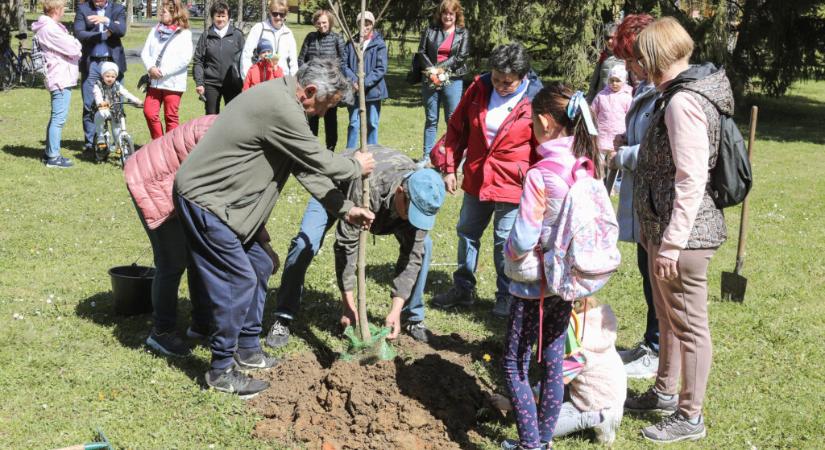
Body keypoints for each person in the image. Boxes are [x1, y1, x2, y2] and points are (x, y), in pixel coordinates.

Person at [173, 58, 376, 399]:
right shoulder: (280, 106)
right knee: (239, 279)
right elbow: (320, 160)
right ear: (310, 91)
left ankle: (248, 348)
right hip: (207, 202)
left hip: (230, 207)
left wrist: (344, 208)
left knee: (260, 264)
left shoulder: (289, 105)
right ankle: (220, 369)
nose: (325, 114)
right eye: (327, 106)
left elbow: (304, 168)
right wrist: (353, 166)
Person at [624, 17, 731, 443]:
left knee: (689, 326)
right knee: (668, 319)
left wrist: (670, 245)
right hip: (663, 229)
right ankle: (664, 393)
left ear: (656, 56)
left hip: (683, 237)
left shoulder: (684, 102)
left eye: (642, 56)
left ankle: (690, 417)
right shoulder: (675, 94)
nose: (638, 64)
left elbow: (691, 179)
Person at [499, 82, 604, 450]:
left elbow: (524, 237)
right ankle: (543, 440)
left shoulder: (540, 174)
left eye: (531, 121)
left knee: (514, 363)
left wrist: (508, 252)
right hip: (567, 281)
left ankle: (530, 445)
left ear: (545, 122)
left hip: (533, 284)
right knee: (554, 361)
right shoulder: (585, 165)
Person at [265, 146, 442, 349]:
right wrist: (348, 305)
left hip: (382, 200)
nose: (414, 220)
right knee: (304, 244)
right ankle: (283, 317)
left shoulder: (423, 194)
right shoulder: (369, 188)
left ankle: (411, 316)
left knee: (423, 247)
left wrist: (395, 307)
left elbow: (412, 256)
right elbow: (346, 245)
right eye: (412, 213)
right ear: (401, 192)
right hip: (334, 187)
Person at [431, 42, 542, 317]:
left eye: (508, 82)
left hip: (513, 182)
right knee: (467, 231)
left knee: (504, 241)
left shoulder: (536, 100)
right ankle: (463, 288)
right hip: (478, 175)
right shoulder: (479, 88)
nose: (501, 86)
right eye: (496, 79)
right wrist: (449, 167)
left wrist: (541, 187)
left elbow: (543, 147)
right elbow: (458, 128)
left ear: (522, 76)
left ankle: (506, 295)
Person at [124, 115, 223, 357]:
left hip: (175, 179)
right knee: (172, 259)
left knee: (198, 251)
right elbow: (207, 187)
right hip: (152, 180)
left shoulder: (232, 127)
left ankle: (201, 324)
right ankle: (161, 332)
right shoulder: (222, 136)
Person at [490, 297, 626, 445]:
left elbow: (554, 381)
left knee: (539, 426)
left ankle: (597, 419)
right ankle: (603, 416)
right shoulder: (597, 332)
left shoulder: (576, 347)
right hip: (614, 401)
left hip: (597, 404)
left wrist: (511, 404)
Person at [607, 13, 660, 379]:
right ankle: (650, 341)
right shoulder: (644, 90)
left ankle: (659, 351)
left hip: (658, 201)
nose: (629, 68)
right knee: (646, 272)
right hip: (643, 200)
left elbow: (657, 152)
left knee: (658, 276)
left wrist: (622, 154)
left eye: (632, 59)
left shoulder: (664, 94)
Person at [412, 0, 470, 161]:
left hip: (453, 78)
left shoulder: (463, 33)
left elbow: (461, 56)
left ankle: (453, 156)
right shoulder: (430, 30)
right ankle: (427, 157)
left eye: (451, 13)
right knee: (431, 119)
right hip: (430, 78)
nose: (448, 16)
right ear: (440, 14)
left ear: (456, 14)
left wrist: (440, 69)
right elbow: (421, 52)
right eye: (445, 13)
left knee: (452, 119)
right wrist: (432, 71)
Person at [33, 0, 81, 169]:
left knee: (56, 117)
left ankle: (49, 152)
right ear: (56, 9)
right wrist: (75, 42)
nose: (64, 11)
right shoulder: (50, 29)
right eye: (63, 8)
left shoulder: (50, 27)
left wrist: (73, 43)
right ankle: (53, 157)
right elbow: (74, 49)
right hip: (59, 77)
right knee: (58, 118)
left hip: (59, 75)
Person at [74, 0, 127, 153]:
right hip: (92, 64)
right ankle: (92, 143)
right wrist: (103, 35)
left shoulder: (117, 9)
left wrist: (107, 21)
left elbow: (121, 30)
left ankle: (118, 143)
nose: (97, 1)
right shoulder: (83, 9)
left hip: (112, 63)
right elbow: (79, 33)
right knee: (89, 104)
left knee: (116, 104)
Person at [140, 0, 193, 139]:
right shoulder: (155, 30)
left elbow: (185, 59)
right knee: (149, 112)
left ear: (174, 13)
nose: (160, 14)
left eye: (164, 12)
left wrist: (163, 72)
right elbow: (145, 52)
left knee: (170, 116)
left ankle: (170, 150)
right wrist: (151, 67)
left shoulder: (184, 33)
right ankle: (158, 144)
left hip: (173, 83)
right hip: (154, 81)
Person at [298, 9, 347, 151]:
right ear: (315, 23)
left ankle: (330, 149)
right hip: (312, 87)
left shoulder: (337, 38)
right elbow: (301, 58)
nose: (322, 25)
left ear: (330, 22)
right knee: (311, 119)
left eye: (324, 22)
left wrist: (339, 82)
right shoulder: (310, 37)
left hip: (330, 87)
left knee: (330, 120)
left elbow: (343, 62)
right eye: (319, 23)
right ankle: (311, 149)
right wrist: (305, 77)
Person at [343, 11, 388, 149]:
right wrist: (354, 81)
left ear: (372, 25)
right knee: (353, 123)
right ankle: (350, 153)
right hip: (354, 89)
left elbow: (381, 68)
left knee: (372, 123)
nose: (365, 26)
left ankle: (372, 152)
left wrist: (364, 82)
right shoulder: (351, 43)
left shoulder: (379, 44)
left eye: (368, 23)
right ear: (357, 24)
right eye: (361, 23)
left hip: (373, 91)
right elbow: (343, 64)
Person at [192, 1, 245, 114]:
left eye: (223, 16)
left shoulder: (237, 35)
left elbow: (245, 59)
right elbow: (198, 61)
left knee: (233, 118)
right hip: (211, 84)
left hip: (233, 84)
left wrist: (245, 81)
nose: (220, 19)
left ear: (228, 17)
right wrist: (199, 83)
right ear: (212, 17)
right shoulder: (206, 36)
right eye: (217, 16)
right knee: (210, 118)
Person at [241, 0, 298, 79]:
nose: (278, 17)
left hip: (283, 80)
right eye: (275, 14)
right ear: (270, 13)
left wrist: (292, 83)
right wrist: (247, 78)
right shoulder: (259, 28)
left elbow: (293, 62)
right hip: (262, 80)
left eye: (282, 14)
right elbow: (246, 55)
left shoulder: (288, 33)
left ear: (285, 15)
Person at [93, 62, 143, 153]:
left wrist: (136, 100)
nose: (110, 79)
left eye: (113, 77)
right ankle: (100, 136)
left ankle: (118, 144)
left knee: (117, 129)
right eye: (107, 76)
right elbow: (97, 95)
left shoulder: (117, 85)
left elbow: (126, 93)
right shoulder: (98, 85)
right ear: (102, 75)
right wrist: (101, 103)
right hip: (103, 109)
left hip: (115, 110)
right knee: (99, 116)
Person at [591, 64, 632, 160]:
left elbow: (630, 116)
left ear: (624, 82)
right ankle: (599, 175)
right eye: (612, 80)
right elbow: (592, 113)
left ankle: (611, 175)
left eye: (618, 81)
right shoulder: (601, 96)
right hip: (601, 137)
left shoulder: (627, 97)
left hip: (618, 138)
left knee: (613, 165)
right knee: (599, 164)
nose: (614, 83)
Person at [586, 22, 622, 102]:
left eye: (613, 38)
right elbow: (593, 85)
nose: (609, 41)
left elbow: (636, 85)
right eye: (607, 38)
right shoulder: (603, 58)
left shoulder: (627, 59)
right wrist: (589, 102)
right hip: (602, 104)